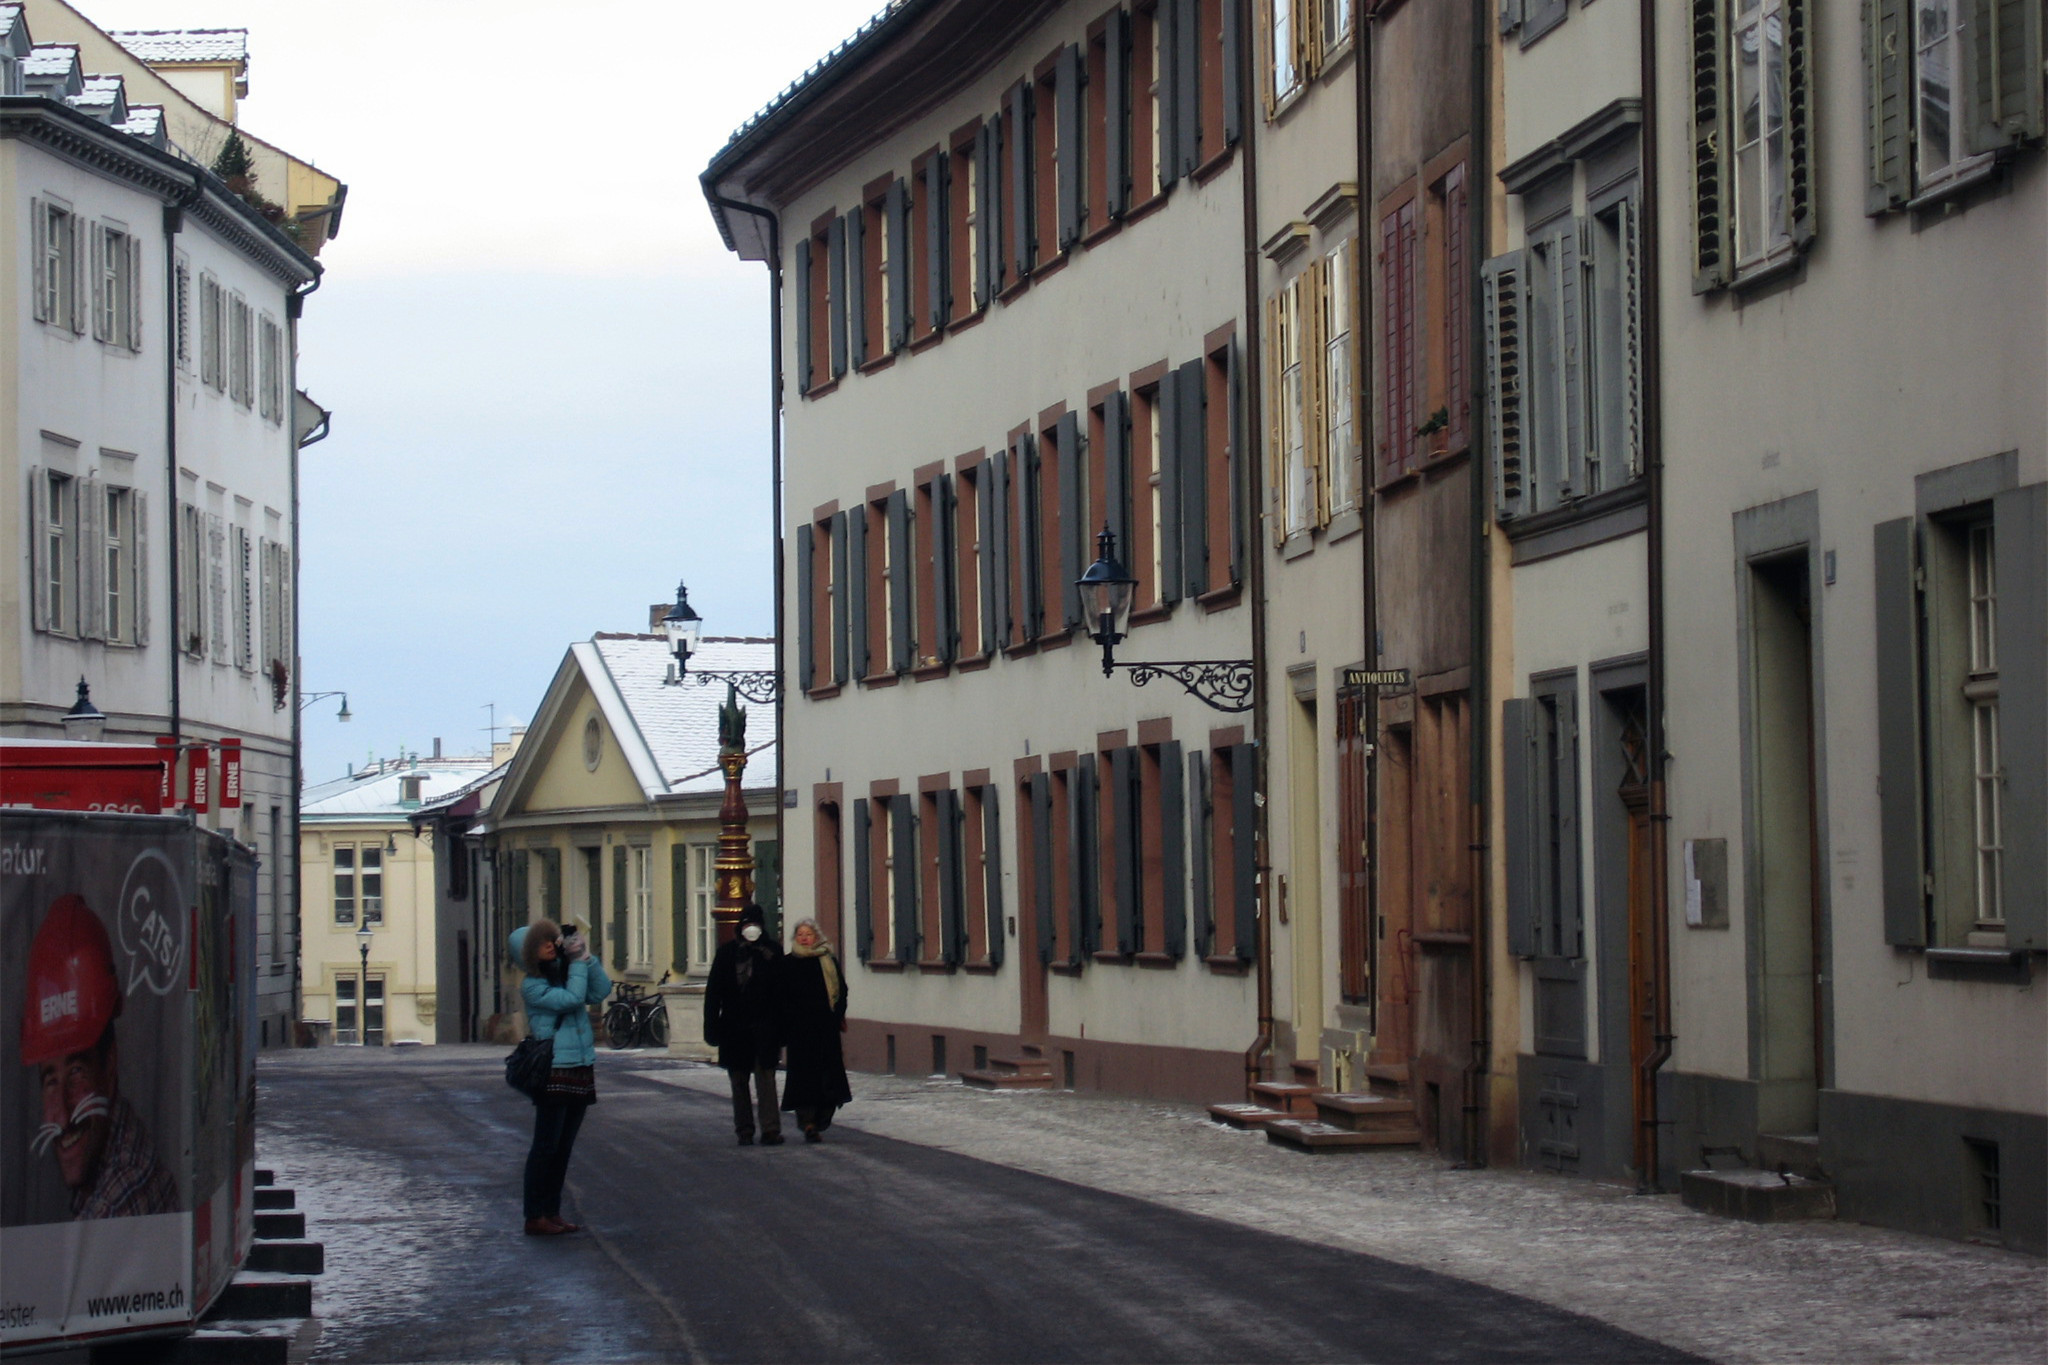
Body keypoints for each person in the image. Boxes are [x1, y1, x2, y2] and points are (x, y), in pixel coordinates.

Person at [20, 896, 178, 1219]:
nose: (63, 1117)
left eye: (77, 1071)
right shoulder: (115, 1148)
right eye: (50, 1079)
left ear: (109, 1065)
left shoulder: (115, 1203)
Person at [509, 918, 611, 1236]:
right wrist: (577, 963)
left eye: (552, 940)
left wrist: (585, 958)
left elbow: (600, 990)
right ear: (528, 955)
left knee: (563, 1146)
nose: (551, 946)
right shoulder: (533, 986)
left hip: (578, 1064)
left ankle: (551, 1211)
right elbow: (572, 1000)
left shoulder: (565, 973)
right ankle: (534, 1214)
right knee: (546, 1146)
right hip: (554, 1068)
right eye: (543, 944)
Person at [704, 904, 783, 1145]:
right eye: (748, 925)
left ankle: (770, 1129)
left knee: (766, 1080)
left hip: (764, 1028)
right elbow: (714, 992)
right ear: (741, 927)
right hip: (734, 1028)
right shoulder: (727, 953)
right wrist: (711, 1027)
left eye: (755, 925)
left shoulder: (772, 952)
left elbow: (782, 993)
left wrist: (782, 1027)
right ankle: (744, 1129)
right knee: (739, 1081)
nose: (751, 929)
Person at [779, 918, 851, 1143]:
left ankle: (822, 1118)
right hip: (800, 1030)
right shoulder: (788, 963)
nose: (804, 938)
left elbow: (840, 991)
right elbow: (781, 995)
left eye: (808, 934)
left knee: (827, 1076)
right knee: (803, 1078)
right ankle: (807, 1122)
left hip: (825, 1029)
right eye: (800, 934)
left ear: (816, 937)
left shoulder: (827, 961)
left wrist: (836, 1016)